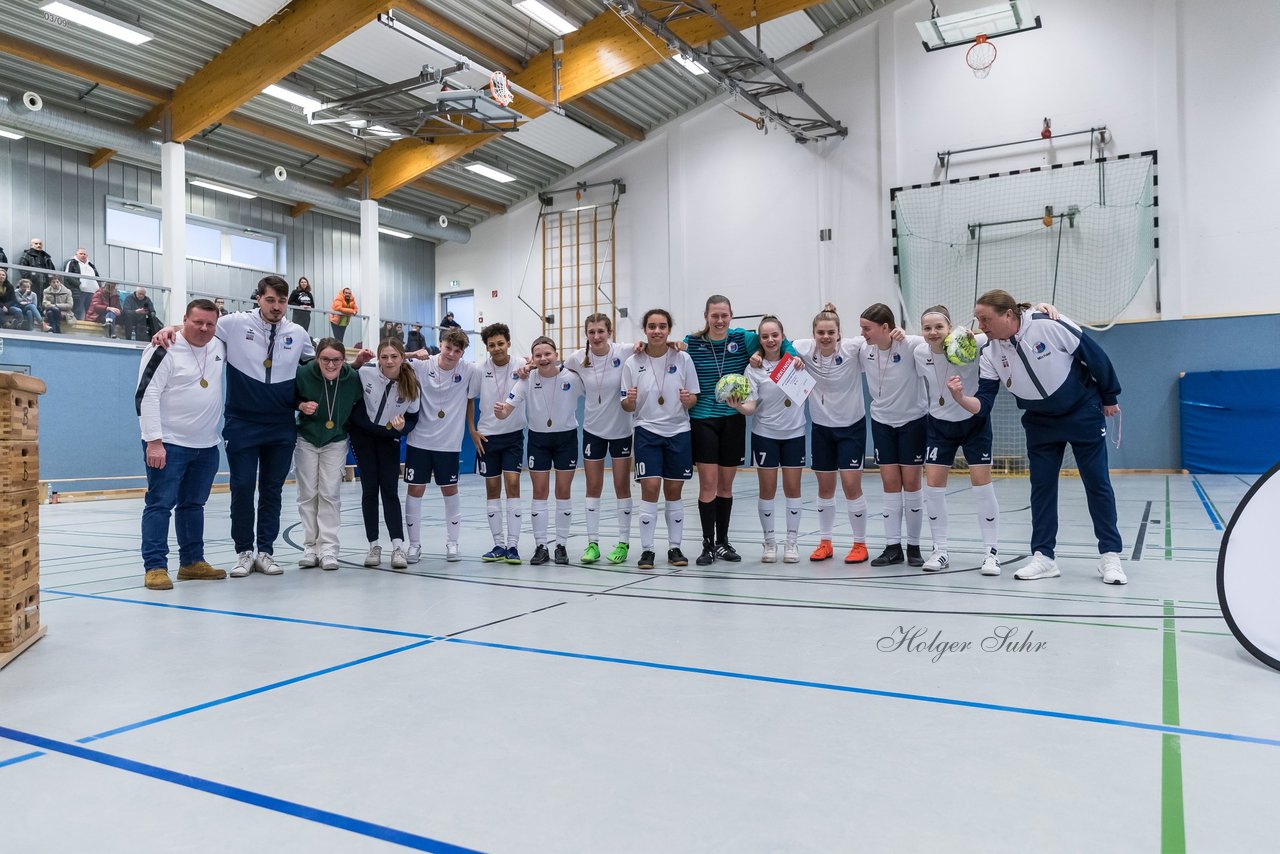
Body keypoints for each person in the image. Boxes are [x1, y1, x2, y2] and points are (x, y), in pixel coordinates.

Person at [958, 290, 1127, 585]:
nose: (981, 326)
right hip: (1039, 423)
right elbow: (985, 401)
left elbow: (1094, 355)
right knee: (1042, 488)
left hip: (1081, 412)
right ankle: (1044, 556)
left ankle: (1110, 555)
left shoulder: (1047, 323)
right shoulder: (990, 352)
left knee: (1097, 484)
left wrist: (1109, 396)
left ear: (1008, 315)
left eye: (986, 319)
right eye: (978, 320)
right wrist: (960, 397)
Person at [684, 295, 799, 566]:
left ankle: (723, 542)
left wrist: (790, 357)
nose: (720, 320)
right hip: (703, 420)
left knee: (726, 486)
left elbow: (784, 342)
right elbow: (667, 350)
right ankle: (707, 545)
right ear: (706, 316)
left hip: (733, 420)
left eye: (724, 315)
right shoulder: (692, 343)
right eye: (715, 316)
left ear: (731, 316)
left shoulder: (745, 339)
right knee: (708, 486)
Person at [135, 299, 229, 590]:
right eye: (196, 322)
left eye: (210, 324)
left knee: (193, 505)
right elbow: (146, 396)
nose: (203, 328)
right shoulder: (162, 347)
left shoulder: (219, 345)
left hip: (206, 444)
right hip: (169, 444)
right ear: (184, 319)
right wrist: (154, 442)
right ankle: (155, 566)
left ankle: (191, 562)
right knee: (160, 504)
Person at [914, 305, 1001, 576]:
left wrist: (1042, 308)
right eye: (927, 328)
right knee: (934, 488)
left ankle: (991, 552)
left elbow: (998, 330)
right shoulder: (918, 351)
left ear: (949, 328)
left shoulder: (973, 342)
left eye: (939, 327)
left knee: (982, 487)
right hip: (939, 427)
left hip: (975, 424)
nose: (933, 332)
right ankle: (940, 550)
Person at [496, 336, 584, 565]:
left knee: (563, 491)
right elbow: (508, 406)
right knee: (540, 492)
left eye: (548, 354)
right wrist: (502, 412)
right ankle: (541, 545)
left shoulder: (572, 378)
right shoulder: (526, 379)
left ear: (556, 354)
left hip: (566, 439)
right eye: (538, 355)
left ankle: (561, 545)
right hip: (538, 440)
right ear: (532, 358)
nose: (544, 358)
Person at [622, 308, 699, 569]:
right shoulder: (633, 362)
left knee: (674, 490)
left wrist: (690, 400)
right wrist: (629, 401)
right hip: (646, 431)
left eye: (662, 326)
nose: (657, 331)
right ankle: (647, 550)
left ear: (669, 329)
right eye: (652, 326)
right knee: (651, 487)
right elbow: (627, 406)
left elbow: (694, 397)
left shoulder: (683, 357)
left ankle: (675, 548)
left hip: (679, 431)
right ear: (644, 330)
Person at [728, 316, 808, 563]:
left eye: (775, 335)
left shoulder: (795, 362)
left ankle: (792, 543)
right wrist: (739, 406)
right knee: (767, 490)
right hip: (765, 436)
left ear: (783, 336)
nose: (770, 340)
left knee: (793, 490)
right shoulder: (753, 368)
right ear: (759, 340)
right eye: (765, 336)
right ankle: (770, 542)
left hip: (794, 434)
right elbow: (751, 407)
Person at [563, 314, 637, 565]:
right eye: (591, 332)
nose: (596, 336)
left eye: (601, 331)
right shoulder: (577, 359)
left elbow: (649, 346)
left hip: (621, 430)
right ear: (586, 334)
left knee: (621, 486)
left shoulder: (625, 351)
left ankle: (623, 542)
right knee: (593, 487)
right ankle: (592, 543)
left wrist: (674, 344)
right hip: (593, 430)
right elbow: (556, 369)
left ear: (610, 332)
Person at [857, 303, 927, 567]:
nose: (862, 333)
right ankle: (892, 546)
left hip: (913, 422)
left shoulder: (910, 345)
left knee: (911, 484)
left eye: (867, 328)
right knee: (889, 485)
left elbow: (939, 339)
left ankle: (914, 547)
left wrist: (906, 333)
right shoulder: (864, 349)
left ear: (886, 328)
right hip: (882, 423)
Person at [403, 329, 481, 563]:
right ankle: (414, 545)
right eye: (448, 348)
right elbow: (388, 356)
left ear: (463, 353)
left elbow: (491, 373)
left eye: (457, 351)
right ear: (441, 344)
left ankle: (453, 543)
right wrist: (412, 353)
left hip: (449, 444)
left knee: (450, 490)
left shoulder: (468, 370)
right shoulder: (422, 364)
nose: (451, 354)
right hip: (419, 441)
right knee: (415, 490)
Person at [292, 337, 363, 570]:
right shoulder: (302, 374)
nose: (331, 365)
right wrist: (300, 405)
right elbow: (289, 397)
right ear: (316, 357)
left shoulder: (352, 378)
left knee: (330, 494)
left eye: (337, 360)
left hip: (335, 440)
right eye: (325, 359)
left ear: (344, 360)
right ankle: (310, 547)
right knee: (307, 494)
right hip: (307, 439)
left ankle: (329, 549)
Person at [349, 338, 420, 569]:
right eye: (384, 357)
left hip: (389, 439)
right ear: (378, 358)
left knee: (389, 491)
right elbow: (346, 380)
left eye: (394, 356)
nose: (389, 361)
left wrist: (402, 429)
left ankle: (398, 547)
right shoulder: (365, 373)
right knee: (370, 489)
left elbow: (412, 419)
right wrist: (356, 361)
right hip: (364, 437)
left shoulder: (411, 385)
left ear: (402, 358)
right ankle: (373, 545)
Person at [467, 323, 527, 564]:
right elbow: (469, 400)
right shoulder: (480, 370)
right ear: (487, 348)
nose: (497, 348)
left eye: (500, 343)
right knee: (492, 489)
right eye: (491, 345)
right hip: (488, 438)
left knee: (513, 484)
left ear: (508, 343)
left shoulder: (522, 365)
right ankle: (498, 544)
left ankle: (513, 545)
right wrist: (472, 431)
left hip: (513, 435)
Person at [63, 247, 99, 319]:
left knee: (90, 311)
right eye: (81, 254)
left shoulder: (91, 265)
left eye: (84, 254)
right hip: (79, 291)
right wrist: (79, 284)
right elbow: (68, 276)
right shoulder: (72, 263)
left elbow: (97, 277)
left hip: (92, 292)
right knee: (78, 310)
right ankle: (75, 326)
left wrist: (98, 287)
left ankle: (89, 326)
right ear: (76, 254)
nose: (83, 255)